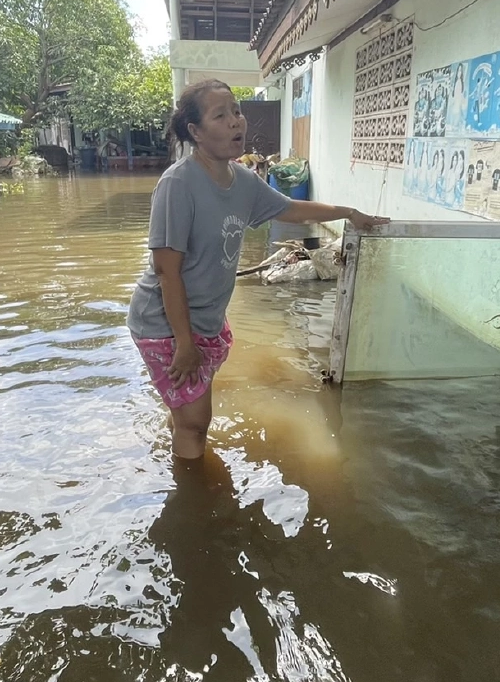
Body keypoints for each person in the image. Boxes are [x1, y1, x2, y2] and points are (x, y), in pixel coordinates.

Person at [127, 80, 389, 460]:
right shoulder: (178, 184)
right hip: (165, 323)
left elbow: (290, 209)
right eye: (221, 115)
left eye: (236, 111)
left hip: (205, 320)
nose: (236, 122)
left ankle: (175, 442)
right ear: (196, 132)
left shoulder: (243, 180)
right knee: (197, 423)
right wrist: (184, 345)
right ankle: (193, 503)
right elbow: (167, 273)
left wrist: (349, 213)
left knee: (187, 415)